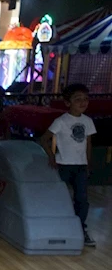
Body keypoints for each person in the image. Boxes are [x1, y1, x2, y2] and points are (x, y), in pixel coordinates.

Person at [41, 83, 96, 247]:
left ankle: (80, 229)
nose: (83, 102)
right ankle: (56, 226)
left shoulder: (88, 121)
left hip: (80, 166)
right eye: (78, 99)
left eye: (85, 99)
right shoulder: (61, 121)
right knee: (60, 197)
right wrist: (51, 157)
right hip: (64, 164)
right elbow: (44, 139)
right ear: (67, 103)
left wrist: (88, 163)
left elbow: (88, 144)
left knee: (82, 199)